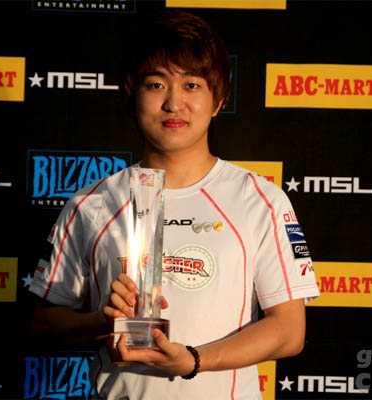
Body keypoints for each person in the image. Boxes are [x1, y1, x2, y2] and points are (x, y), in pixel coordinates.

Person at [29, 10, 320, 399]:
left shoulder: (258, 198)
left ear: (218, 100)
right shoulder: (92, 203)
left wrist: (194, 361)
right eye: (156, 84)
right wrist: (105, 320)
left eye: (192, 85)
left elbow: (289, 331)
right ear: (131, 96)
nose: (173, 102)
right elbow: (44, 325)